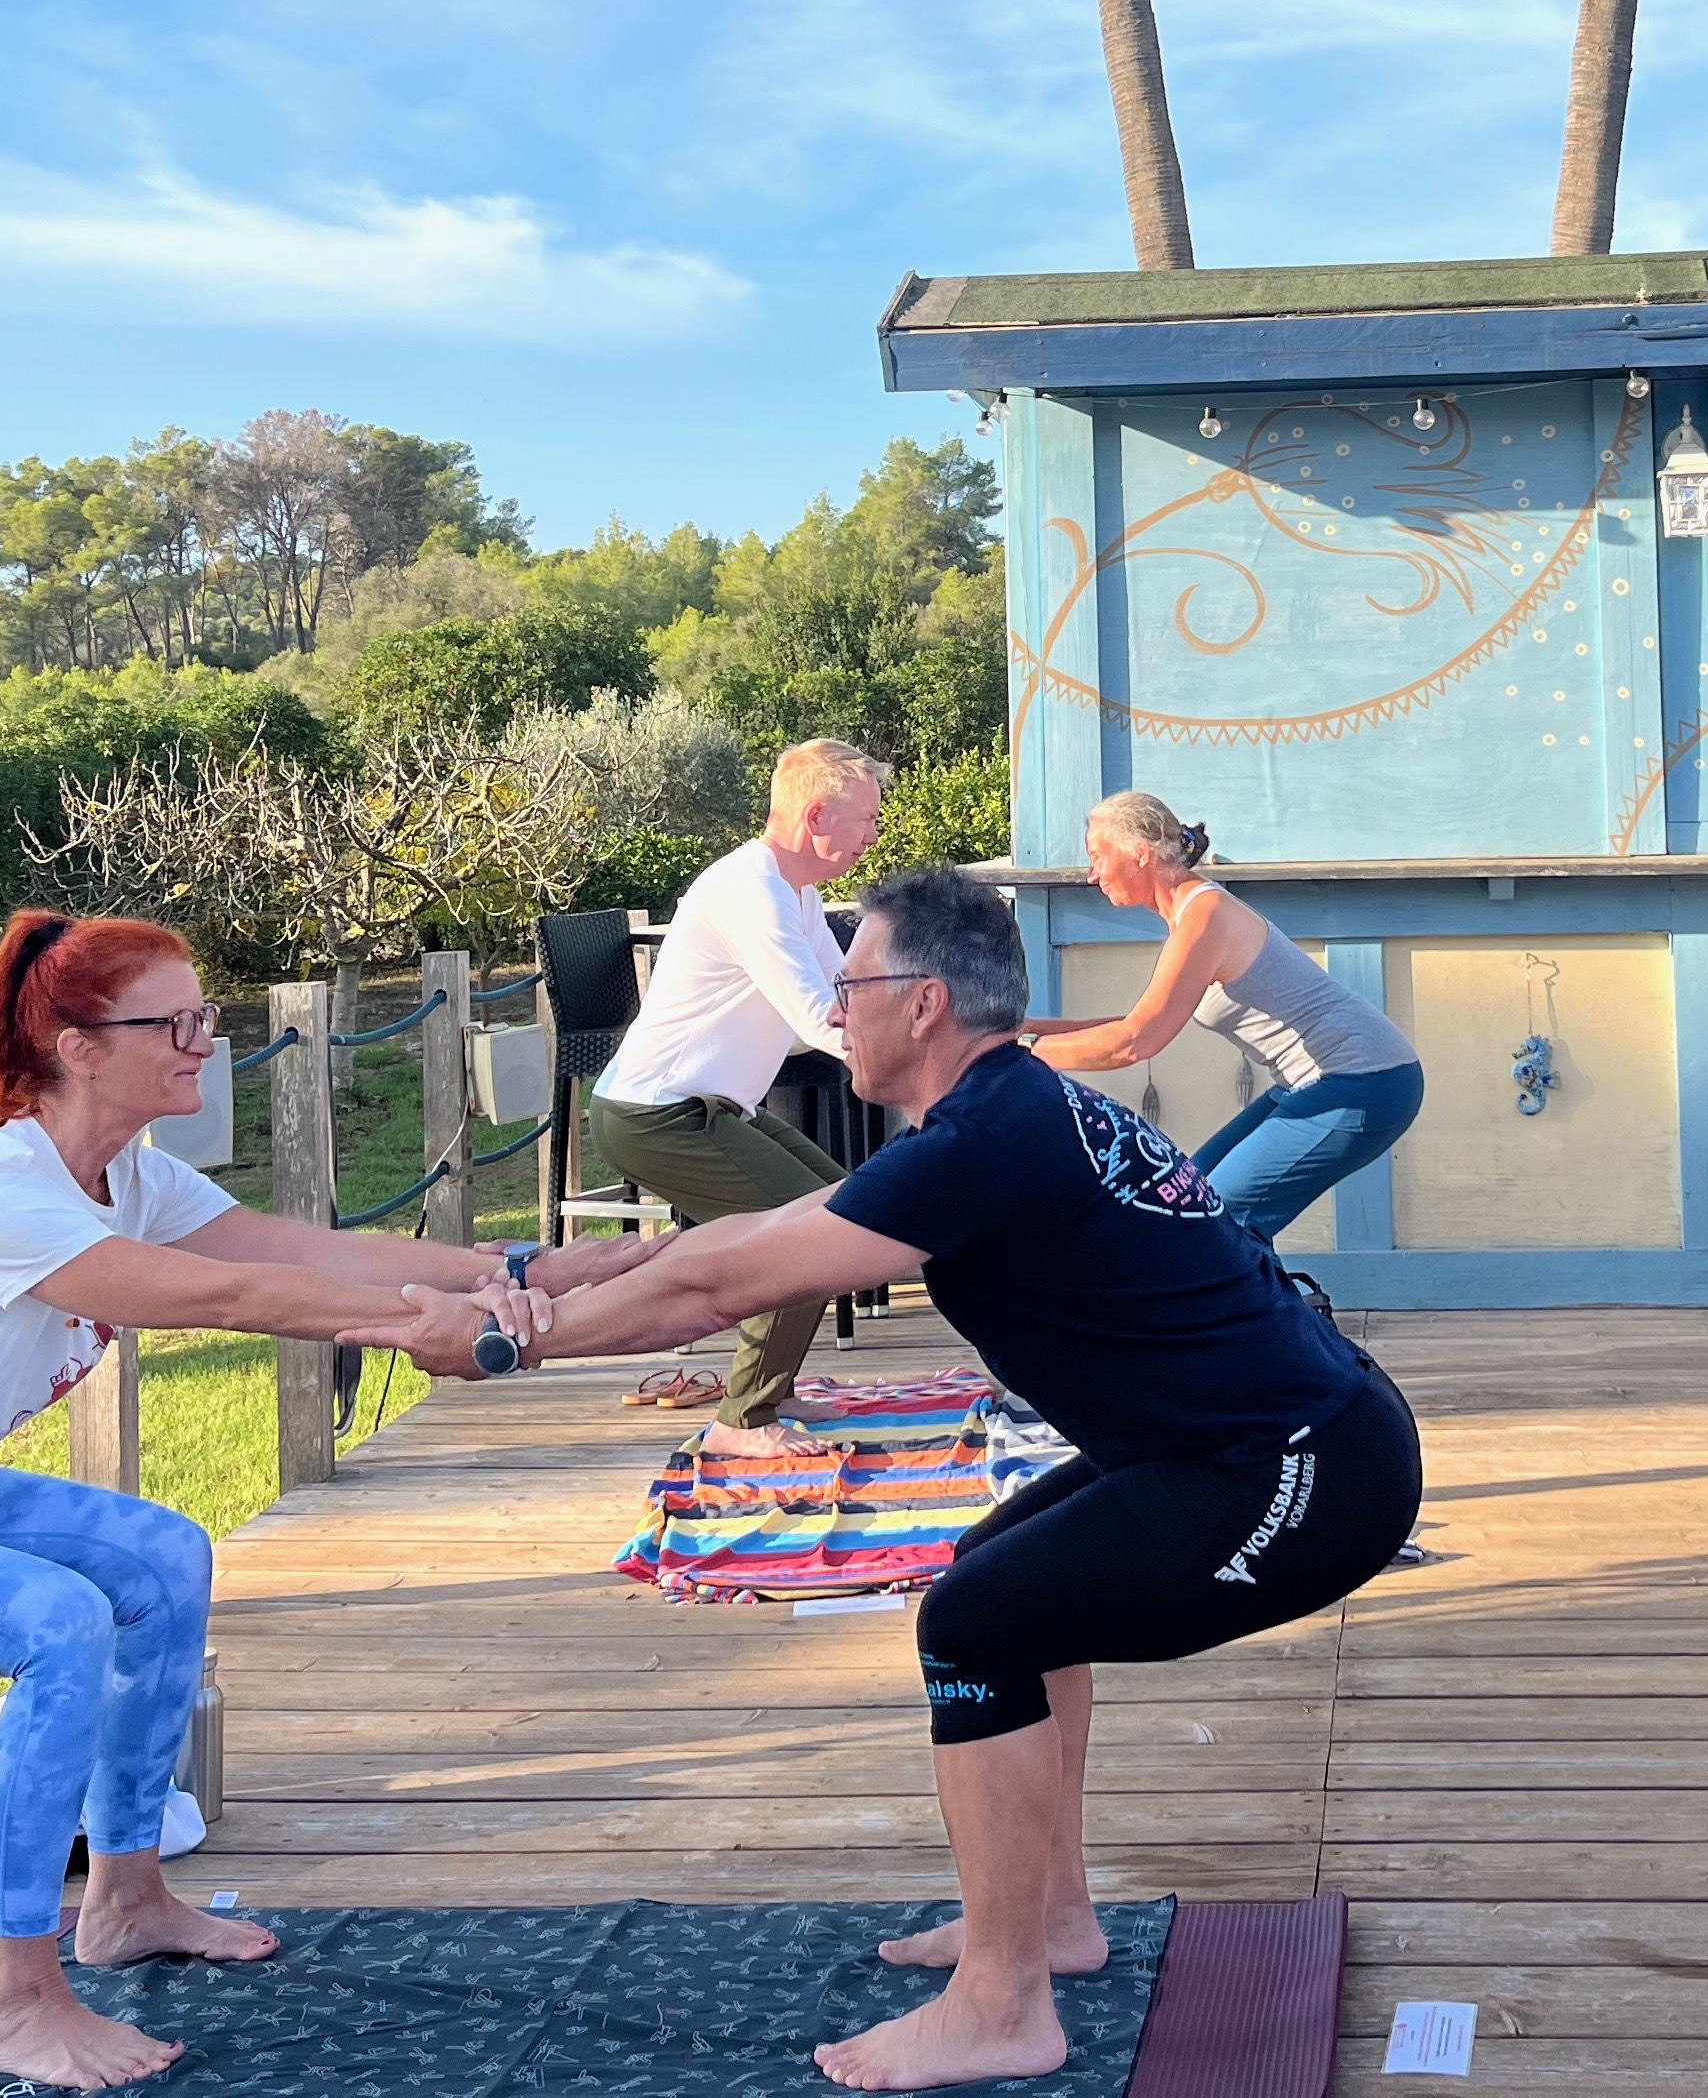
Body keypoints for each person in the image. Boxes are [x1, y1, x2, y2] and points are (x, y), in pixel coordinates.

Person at [434, 866, 1422, 2092]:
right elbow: (737, 1241)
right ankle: (1049, 1921)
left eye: (851, 984)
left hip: (1302, 1473)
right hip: (1252, 1445)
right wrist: (543, 1269)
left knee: (978, 1622)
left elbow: (723, 1291)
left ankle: (1002, 2004)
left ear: (926, 1004)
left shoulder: (989, 1136)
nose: (833, 1010)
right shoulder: (996, 1110)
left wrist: (511, 1340)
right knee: (1001, 1574)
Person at [0, 912, 580, 2090]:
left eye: (207, 1018)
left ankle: (127, 1902)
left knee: (157, 1559)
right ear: (78, 1046)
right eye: (176, 1023)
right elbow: (232, 1293)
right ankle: (17, 2003)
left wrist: (517, 1273)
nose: (203, 1043)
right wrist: (416, 1326)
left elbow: (296, 1247)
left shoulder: (123, 1172)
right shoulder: (6, 1193)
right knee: (59, 1619)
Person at [589, 737, 887, 1457]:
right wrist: (935, 1066)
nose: (876, 834)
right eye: (868, 820)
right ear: (817, 815)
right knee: (808, 1243)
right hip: (655, 1116)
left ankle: (770, 1393)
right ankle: (741, 1421)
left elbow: (850, 992)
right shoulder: (751, 892)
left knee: (839, 1212)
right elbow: (819, 1018)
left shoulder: (795, 890)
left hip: (705, 1111)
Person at [1018, 789, 1426, 1258]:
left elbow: (1134, 1042)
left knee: (1211, 1220)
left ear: (1140, 853)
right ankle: (1260, 1318)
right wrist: (1032, 1029)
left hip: (1366, 1081)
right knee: (1183, 1197)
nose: (1091, 874)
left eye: (1097, 856)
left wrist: (1021, 1053)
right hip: (1319, 1083)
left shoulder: (1204, 916)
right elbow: (1139, 1022)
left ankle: (1266, 1327)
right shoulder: (1189, 918)